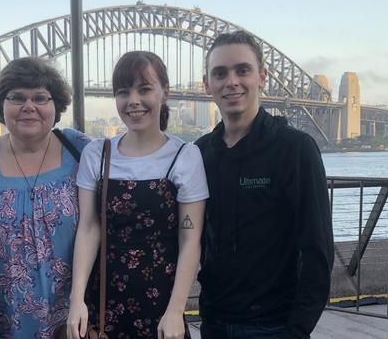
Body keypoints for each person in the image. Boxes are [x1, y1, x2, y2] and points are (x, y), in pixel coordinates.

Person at [195, 30, 334, 338]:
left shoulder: (295, 149)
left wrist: (296, 331)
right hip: (214, 323)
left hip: (274, 326)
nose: (231, 81)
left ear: (262, 77)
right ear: (207, 85)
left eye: (242, 70)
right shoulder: (200, 154)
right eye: (220, 73)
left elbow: (318, 250)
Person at [67, 51, 208, 339]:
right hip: (102, 304)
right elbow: (89, 227)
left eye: (144, 89)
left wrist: (175, 311)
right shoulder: (98, 153)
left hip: (161, 307)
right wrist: (76, 300)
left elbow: (190, 239)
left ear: (164, 93)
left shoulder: (185, 156)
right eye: (123, 92)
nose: (133, 100)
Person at [0, 57, 91, 339]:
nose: (29, 107)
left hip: (72, 323)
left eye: (40, 97)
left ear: (56, 106)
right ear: (1, 106)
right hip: (1, 323)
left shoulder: (80, 151)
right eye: (17, 97)